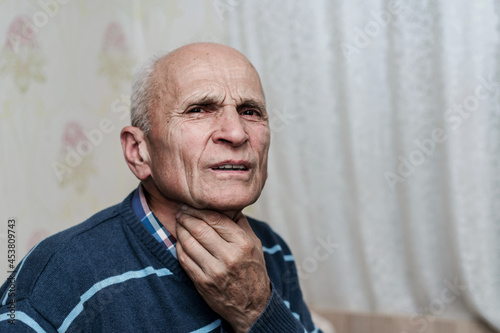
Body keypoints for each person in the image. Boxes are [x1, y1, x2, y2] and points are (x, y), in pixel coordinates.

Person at [0, 43, 322, 332]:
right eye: (199, 110)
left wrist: (258, 311)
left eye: (250, 112)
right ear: (139, 151)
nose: (236, 133)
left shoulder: (272, 250)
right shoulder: (60, 274)